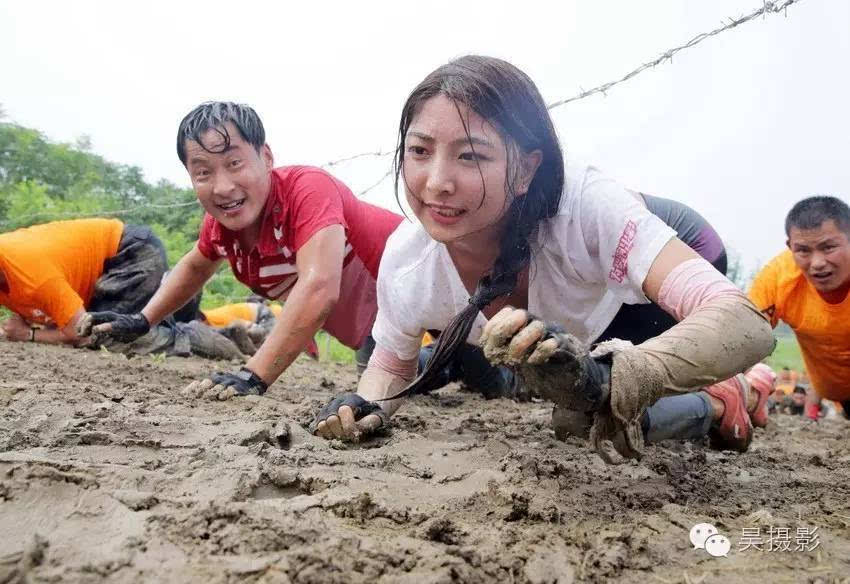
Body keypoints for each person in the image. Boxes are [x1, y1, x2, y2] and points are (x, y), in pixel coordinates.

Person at [311, 55, 775, 461]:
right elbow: (391, 366)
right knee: (576, 419)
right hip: (579, 316)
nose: (436, 183)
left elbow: (743, 321)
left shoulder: (587, 207)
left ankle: (726, 395)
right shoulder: (409, 261)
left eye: (470, 156)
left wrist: (621, 379)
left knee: (594, 411)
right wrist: (363, 405)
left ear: (527, 170)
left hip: (658, 268)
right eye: (419, 151)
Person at [79, 102, 403, 398]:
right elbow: (195, 267)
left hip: (435, 293)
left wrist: (253, 377)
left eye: (234, 163)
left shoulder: (307, 190)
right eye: (203, 172)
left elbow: (318, 287)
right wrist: (142, 320)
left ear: (266, 158)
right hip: (381, 338)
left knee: (439, 358)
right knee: (398, 382)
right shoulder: (221, 229)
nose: (222, 187)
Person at [748, 196, 850, 422]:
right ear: (790, 247)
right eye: (803, 250)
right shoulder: (778, 278)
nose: (817, 263)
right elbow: (740, 336)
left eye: (829, 247)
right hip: (838, 392)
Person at [0, 218, 166, 345]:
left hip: (132, 253)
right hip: (107, 272)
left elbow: (80, 334)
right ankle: (171, 296)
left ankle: (189, 336)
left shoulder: (35, 277)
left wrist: (28, 334)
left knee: (103, 336)